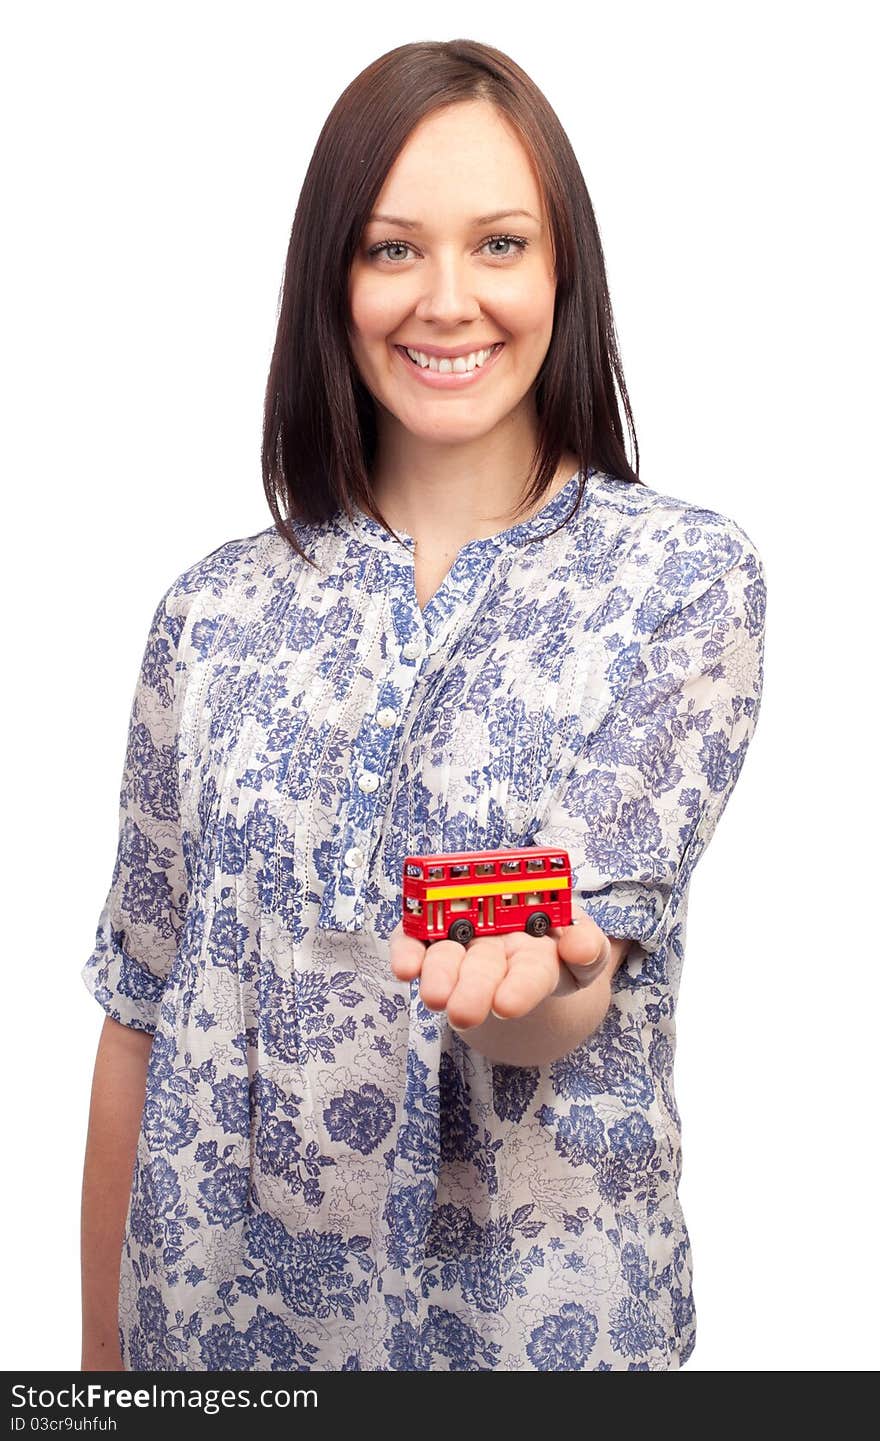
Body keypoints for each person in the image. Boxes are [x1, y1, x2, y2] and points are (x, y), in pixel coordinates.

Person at [79, 38, 766, 1373]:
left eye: (499, 244)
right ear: (332, 279)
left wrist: (522, 982)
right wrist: (95, 1375)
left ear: (564, 271)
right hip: (218, 1352)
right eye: (394, 249)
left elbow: (571, 974)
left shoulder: (681, 585)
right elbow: (135, 1012)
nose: (447, 298)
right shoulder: (208, 617)